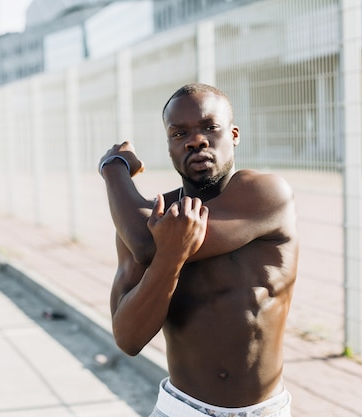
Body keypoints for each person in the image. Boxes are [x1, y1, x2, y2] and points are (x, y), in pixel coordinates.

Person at [99, 83, 298, 417]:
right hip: (180, 409)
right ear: (169, 148)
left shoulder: (266, 194)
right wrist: (170, 259)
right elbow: (128, 339)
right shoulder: (143, 223)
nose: (196, 140)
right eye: (179, 134)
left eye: (210, 127)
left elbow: (148, 246)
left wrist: (114, 167)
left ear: (234, 135)